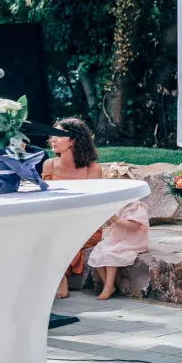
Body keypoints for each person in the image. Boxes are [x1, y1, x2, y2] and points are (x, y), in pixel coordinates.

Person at [42, 117, 103, 298]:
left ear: (74, 140)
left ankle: (59, 277)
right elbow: (45, 199)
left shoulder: (92, 169)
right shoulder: (49, 165)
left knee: (60, 238)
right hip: (56, 219)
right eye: (51, 135)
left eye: (58, 135)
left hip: (85, 223)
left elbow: (93, 204)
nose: (52, 139)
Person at [88, 162, 150, 300]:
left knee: (111, 254)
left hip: (131, 240)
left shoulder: (137, 206)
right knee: (97, 254)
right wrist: (108, 219)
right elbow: (111, 222)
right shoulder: (118, 206)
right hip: (116, 238)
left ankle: (108, 286)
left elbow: (134, 226)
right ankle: (108, 284)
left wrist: (116, 220)